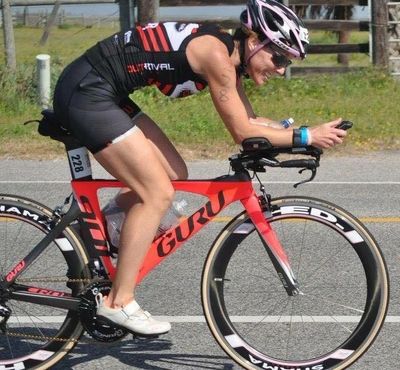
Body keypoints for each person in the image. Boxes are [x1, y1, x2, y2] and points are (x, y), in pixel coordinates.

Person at [53, 0, 347, 337]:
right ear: (253, 41)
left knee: (173, 174)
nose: (281, 69)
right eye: (279, 57)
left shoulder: (229, 58)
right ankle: (119, 301)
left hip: (104, 90)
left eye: (287, 61)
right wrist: (307, 135)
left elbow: (251, 122)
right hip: (87, 92)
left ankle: (97, 232)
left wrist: (303, 135)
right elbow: (243, 133)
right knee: (156, 193)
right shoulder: (216, 58)